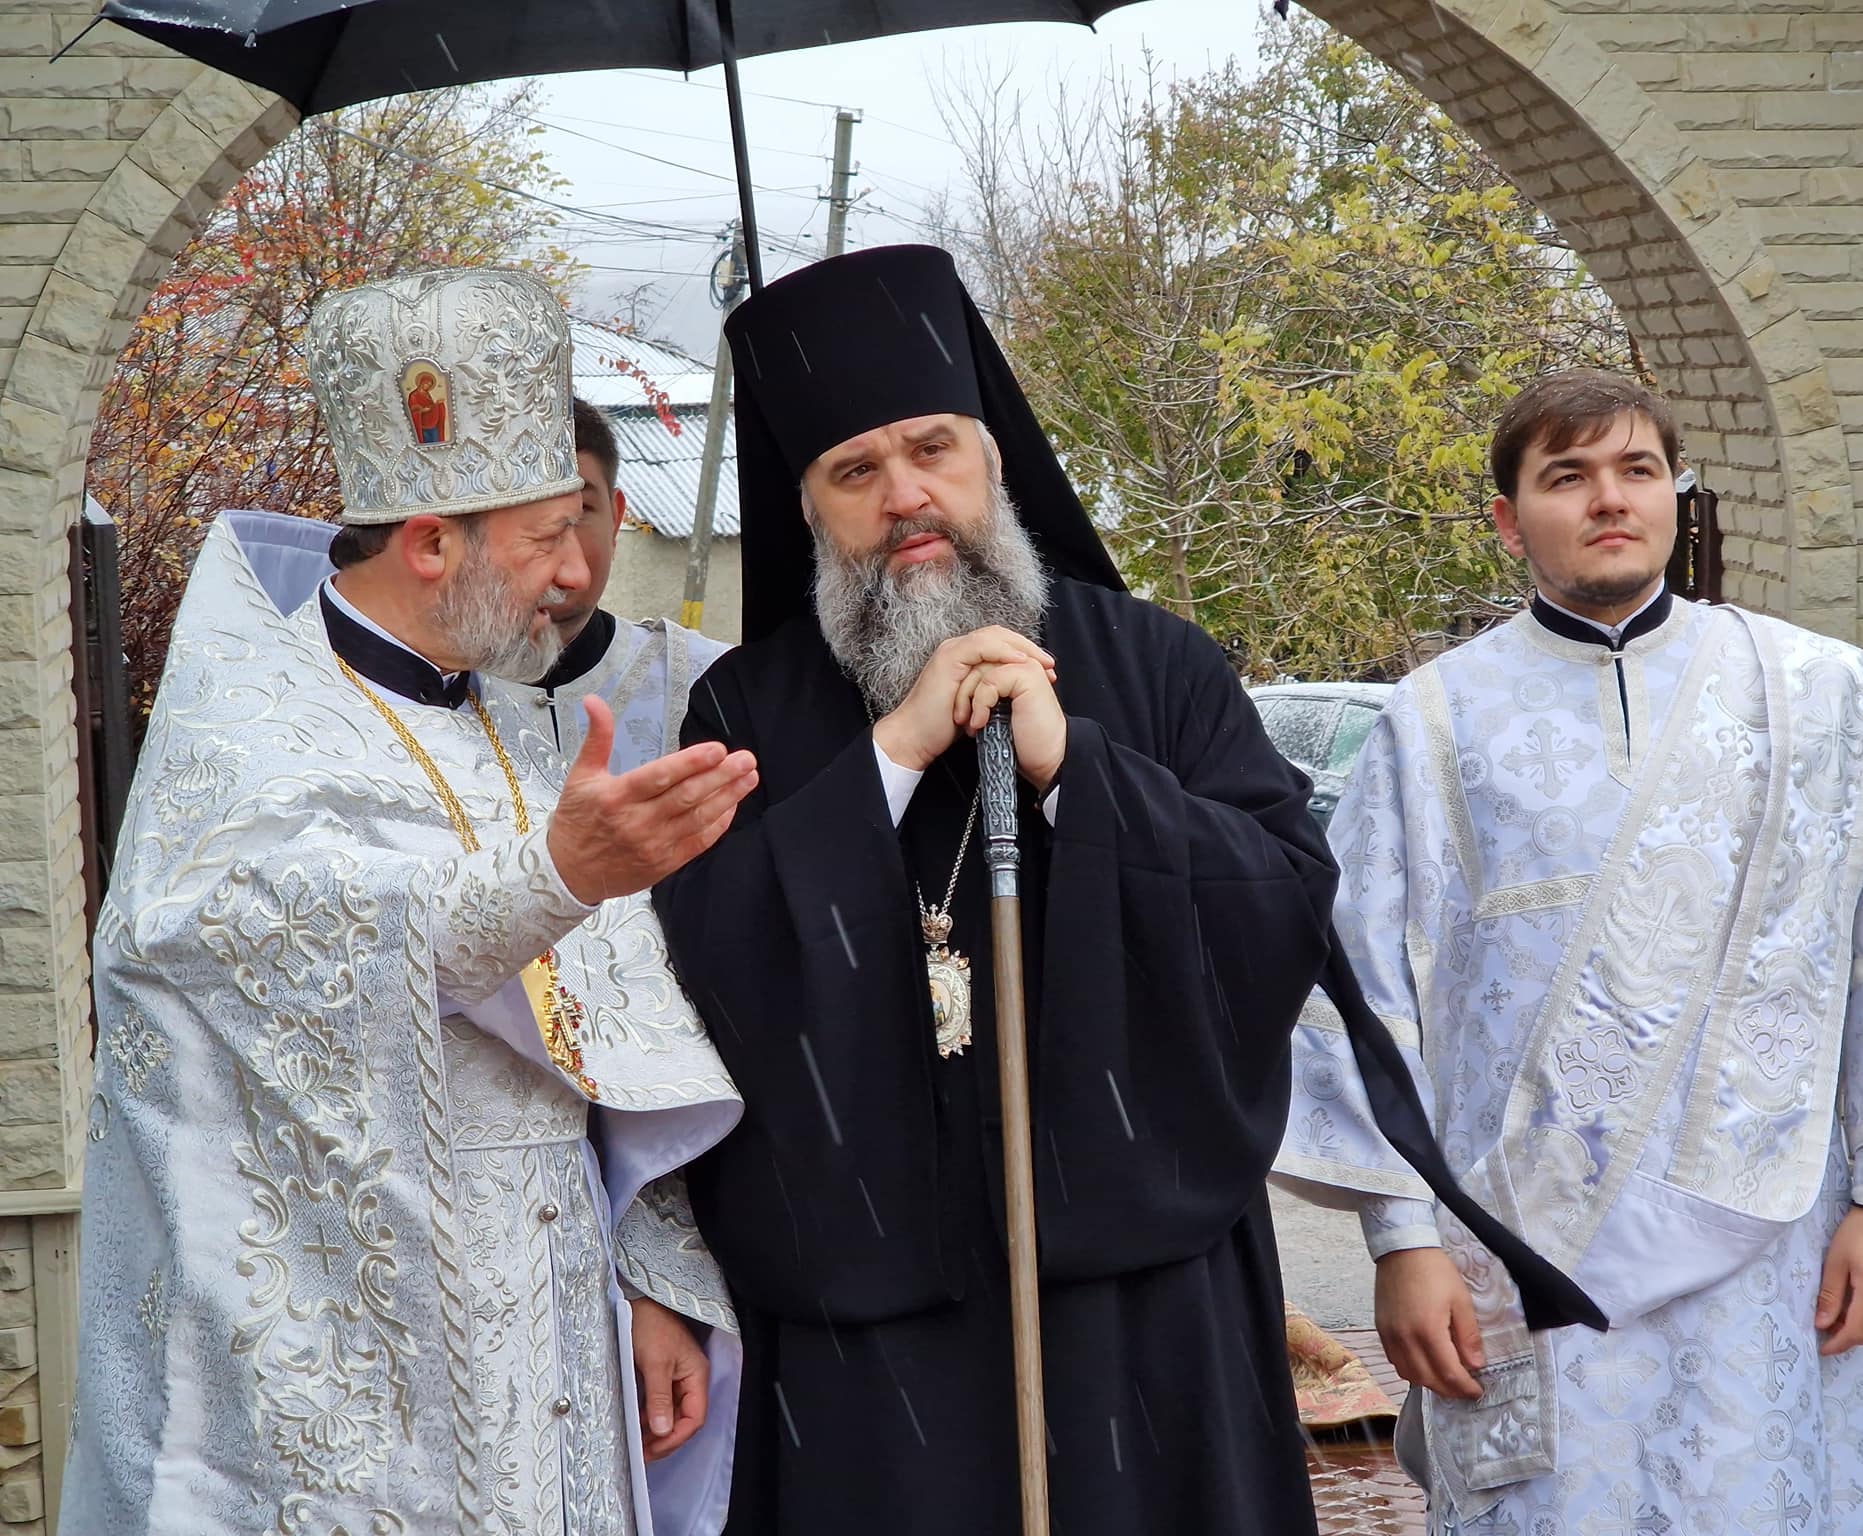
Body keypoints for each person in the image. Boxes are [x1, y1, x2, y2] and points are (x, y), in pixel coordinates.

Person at [649, 244, 1333, 1535]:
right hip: (873, 1330)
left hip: (1143, 1314)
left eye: (932, 449)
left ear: (992, 460)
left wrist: (1080, 771)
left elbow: (1281, 910)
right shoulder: (745, 710)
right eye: (855, 471)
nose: (905, 494)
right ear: (809, 509)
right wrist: (889, 759)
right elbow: (703, 968)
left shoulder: (1157, 666)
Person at [65, 268, 760, 1536]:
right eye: (546, 537)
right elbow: (276, 931)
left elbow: (611, 1036)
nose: (576, 572)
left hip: (552, 1316)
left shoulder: (518, 726)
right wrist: (558, 876)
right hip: (346, 1358)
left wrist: (656, 1270)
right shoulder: (249, 720)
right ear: (433, 543)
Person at [1271, 368, 1863, 1533]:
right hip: (1529, 1248)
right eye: (1565, 476)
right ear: (1508, 518)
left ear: (1675, 493)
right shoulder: (1432, 723)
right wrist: (1400, 1242)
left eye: (1635, 469)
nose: (1607, 499)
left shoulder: (1815, 699)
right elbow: (1366, 997)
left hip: (1776, 1247)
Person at [480, 397, 728, 778]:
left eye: (578, 512)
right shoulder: (429, 690)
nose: (553, 546)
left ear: (615, 519)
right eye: (518, 513)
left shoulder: (708, 678)